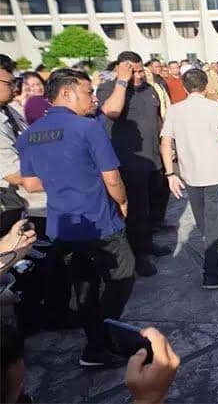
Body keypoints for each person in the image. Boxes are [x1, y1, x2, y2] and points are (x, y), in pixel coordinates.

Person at [16, 68, 135, 367]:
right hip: (99, 220)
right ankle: (102, 337)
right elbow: (112, 177)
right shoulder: (87, 128)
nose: (93, 98)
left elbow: (30, 183)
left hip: (62, 225)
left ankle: (95, 343)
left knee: (85, 287)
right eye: (87, 92)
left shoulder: (30, 134)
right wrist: (122, 202)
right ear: (67, 93)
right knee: (122, 275)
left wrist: (62, 176)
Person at [98, 52, 170, 278]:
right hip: (129, 163)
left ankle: (147, 245)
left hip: (153, 160)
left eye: (140, 71)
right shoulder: (109, 89)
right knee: (136, 212)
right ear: (121, 69)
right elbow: (112, 111)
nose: (137, 76)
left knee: (150, 208)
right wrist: (122, 80)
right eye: (132, 71)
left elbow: (158, 121)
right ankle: (137, 256)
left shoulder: (149, 90)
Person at [159, 69, 218, 290]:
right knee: (213, 218)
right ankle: (211, 273)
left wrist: (170, 174)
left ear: (183, 86)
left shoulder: (174, 110)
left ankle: (213, 239)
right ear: (206, 86)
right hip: (215, 172)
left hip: (190, 173)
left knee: (201, 215)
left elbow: (165, 143)